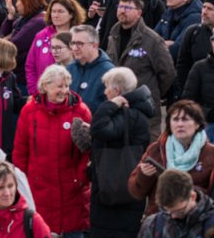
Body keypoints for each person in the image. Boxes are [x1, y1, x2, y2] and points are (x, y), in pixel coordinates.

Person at [12, 64, 92, 237]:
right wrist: (23, 181)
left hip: (72, 192)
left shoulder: (81, 112)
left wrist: (80, 178)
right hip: (38, 190)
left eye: (66, 86)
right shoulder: (29, 112)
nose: (64, 90)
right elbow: (20, 150)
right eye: (59, 86)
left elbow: (88, 152)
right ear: (45, 86)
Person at [89, 67, 155, 238]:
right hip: (126, 189)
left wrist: (111, 105)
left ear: (116, 91)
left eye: (107, 88)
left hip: (113, 189)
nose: (104, 92)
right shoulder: (137, 113)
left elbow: (101, 129)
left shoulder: (128, 113)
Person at [108, 0, 177, 137]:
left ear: (139, 12)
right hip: (117, 106)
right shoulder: (113, 34)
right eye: (120, 6)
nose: (122, 10)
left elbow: (168, 73)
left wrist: (151, 93)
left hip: (144, 110)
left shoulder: (152, 40)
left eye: (127, 7)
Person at [129, 100, 214, 216]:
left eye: (185, 119)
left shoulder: (210, 153)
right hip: (160, 220)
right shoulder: (156, 149)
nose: (179, 124)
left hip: (196, 221)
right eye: (175, 119)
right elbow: (136, 192)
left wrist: (184, 191)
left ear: (197, 124)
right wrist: (144, 175)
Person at [137, 169, 214, 238]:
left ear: (193, 197)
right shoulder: (152, 225)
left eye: (180, 211)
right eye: (167, 211)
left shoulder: (211, 224)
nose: (173, 216)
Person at [67, 24, 117, 114]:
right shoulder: (69, 68)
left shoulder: (109, 72)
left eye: (79, 44)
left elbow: (112, 109)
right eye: (72, 43)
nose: (74, 48)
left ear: (94, 45)